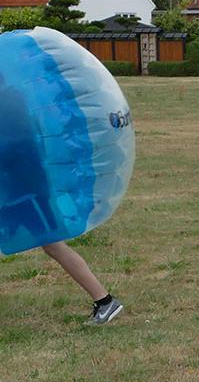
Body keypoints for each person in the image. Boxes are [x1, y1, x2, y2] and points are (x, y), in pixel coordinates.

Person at [0, 73, 124, 325]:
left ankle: (105, 301)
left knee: (54, 245)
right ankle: (104, 301)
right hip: (22, 189)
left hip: (28, 191)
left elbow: (16, 147)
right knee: (52, 246)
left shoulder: (10, 103)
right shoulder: (13, 98)